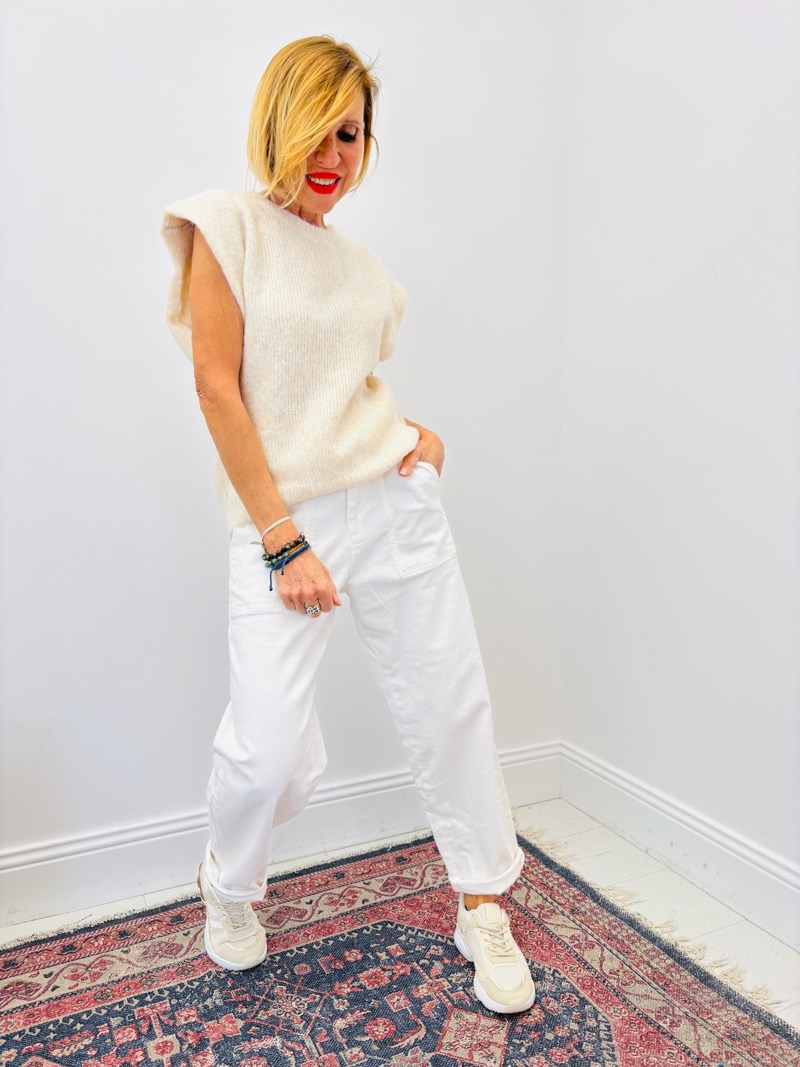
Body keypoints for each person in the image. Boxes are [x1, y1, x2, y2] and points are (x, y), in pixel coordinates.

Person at [161, 35, 535, 1015]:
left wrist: (420, 442)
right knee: (268, 754)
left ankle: (481, 903)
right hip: (282, 520)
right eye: (319, 131)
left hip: (390, 498)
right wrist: (282, 537)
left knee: (449, 700)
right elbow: (217, 389)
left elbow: (347, 389)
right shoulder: (225, 227)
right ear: (277, 123)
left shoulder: (365, 270)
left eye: (352, 135)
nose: (333, 156)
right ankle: (228, 878)